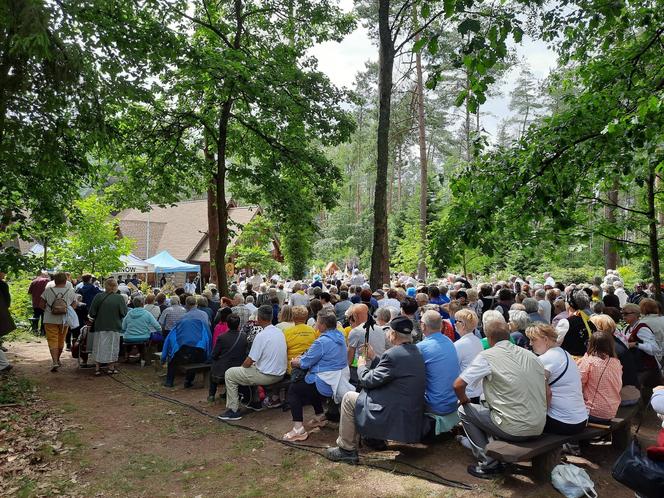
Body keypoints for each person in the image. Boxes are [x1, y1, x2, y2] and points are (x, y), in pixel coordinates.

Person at [453, 320, 547, 479]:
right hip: (538, 425)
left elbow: (458, 385)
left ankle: (489, 462)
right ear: (508, 335)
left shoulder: (487, 356)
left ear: (488, 338)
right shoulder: (530, 355)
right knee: (486, 402)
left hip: (513, 427)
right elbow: (547, 391)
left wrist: (464, 401)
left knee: (464, 410)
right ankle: (493, 451)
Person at [326, 316, 426, 463]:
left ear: (393, 334)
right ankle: (372, 438)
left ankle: (346, 449)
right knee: (366, 396)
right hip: (407, 408)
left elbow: (367, 381)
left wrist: (361, 365)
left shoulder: (393, 354)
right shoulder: (415, 350)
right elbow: (391, 372)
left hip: (395, 411)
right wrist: (374, 358)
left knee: (348, 398)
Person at [284, 308, 352, 441]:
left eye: (317, 322)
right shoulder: (339, 336)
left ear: (323, 325)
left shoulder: (321, 342)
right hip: (338, 378)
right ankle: (320, 415)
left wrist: (294, 362)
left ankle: (298, 429)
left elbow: (305, 363)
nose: (315, 324)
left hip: (327, 381)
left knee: (294, 390)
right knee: (309, 381)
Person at [219, 305, 287, 420]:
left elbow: (249, 361)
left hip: (269, 375)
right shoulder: (279, 331)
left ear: (259, 318)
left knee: (230, 373)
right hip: (280, 372)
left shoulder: (261, 335)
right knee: (249, 370)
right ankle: (255, 402)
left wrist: (242, 368)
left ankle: (233, 409)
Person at [526, 323, 588, 436]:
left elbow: (547, 393)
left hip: (563, 422)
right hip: (580, 419)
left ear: (545, 339)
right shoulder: (565, 353)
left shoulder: (545, 359)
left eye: (533, 340)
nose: (530, 344)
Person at [417, 310, 460, 416]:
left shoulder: (421, 347)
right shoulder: (449, 341)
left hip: (436, 405)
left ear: (423, 325)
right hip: (454, 402)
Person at [577, 329, 623, 423]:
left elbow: (577, 384)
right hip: (611, 411)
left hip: (593, 412)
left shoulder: (589, 361)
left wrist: (583, 359)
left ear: (591, 344)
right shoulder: (616, 362)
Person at [622, 303, 662, 401]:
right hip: (636, 366)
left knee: (637, 390)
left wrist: (636, 344)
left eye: (626, 313)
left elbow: (655, 348)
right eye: (622, 313)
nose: (623, 316)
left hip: (645, 367)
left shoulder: (642, 328)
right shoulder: (627, 328)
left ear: (636, 314)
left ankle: (641, 412)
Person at [88, 278, 128, 375]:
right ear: (115, 286)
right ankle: (111, 367)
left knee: (98, 346)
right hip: (114, 326)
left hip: (100, 325)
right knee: (113, 347)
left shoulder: (98, 296)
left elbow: (92, 313)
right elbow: (123, 313)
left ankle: (97, 368)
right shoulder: (119, 298)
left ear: (105, 286)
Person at [39, 272, 77, 372]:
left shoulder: (48, 290)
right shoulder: (70, 291)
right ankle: (58, 359)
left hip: (49, 319)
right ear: (66, 280)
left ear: (54, 280)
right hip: (64, 320)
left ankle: (55, 361)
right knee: (61, 339)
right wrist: (66, 310)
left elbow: (41, 305)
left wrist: (49, 310)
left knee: (52, 340)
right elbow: (74, 304)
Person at [161, 313, 212, 388]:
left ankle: (169, 382)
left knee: (172, 362)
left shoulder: (177, 327)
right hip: (198, 353)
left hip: (179, 353)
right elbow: (208, 341)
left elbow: (167, 343)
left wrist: (163, 359)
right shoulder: (202, 326)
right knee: (194, 358)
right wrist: (207, 357)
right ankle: (188, 381)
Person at [209, 313, 247, 402]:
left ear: (227, 324)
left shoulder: (222, 337)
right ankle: (225, 393)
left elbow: (214, 355)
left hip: (223, 369)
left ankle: (211, 395)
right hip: (239, 367)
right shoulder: (244, 336)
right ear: (238, 324)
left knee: (213, 369)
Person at [346, 304, 390, 382]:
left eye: (350, 317)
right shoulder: (380, 329)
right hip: (379, 367)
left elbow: (349, 360)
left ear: (355, 316)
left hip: (363, 371)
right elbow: (388, 348)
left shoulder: (355, 332)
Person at [122, 295, 162, 366]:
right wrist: (160, 332)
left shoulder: (129, 313)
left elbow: (123, 327)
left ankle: (127, 356)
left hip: (128, 337)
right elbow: (157, 326)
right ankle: (142, 357)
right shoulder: (147, 314)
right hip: (143, 336)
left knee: (132, 338)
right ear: (143, 304)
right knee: (142, 341)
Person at [454, 309, 484, 402]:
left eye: (456, 321)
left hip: (466, 394)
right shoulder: (477, 341)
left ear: (462, 325)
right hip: (478, 390)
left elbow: (453, 368)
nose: (454, 324)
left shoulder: (459, 344)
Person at [555, 290, 595, 356]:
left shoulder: (565, 322)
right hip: (586, 360)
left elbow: (556, 344)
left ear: (569, 304)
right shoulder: (589, 321)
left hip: (571, 361)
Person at [282, 306, 318, 374]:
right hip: (309, 368)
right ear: (306, 317)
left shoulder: (287, 332)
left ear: (293, 317)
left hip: (292, 368)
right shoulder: (312, 331)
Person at [0, 270, 15, 352]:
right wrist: (6, 306)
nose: (4, 274)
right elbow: (7, 297)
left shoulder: (3, 283)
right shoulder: (2, 284)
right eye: (3, 272)